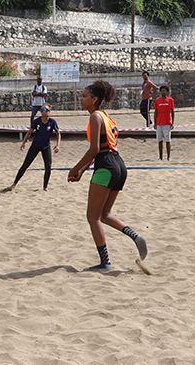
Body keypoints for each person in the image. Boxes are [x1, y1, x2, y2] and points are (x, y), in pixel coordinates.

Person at [68, 80, 148, 272]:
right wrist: (83, 170)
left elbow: (95, 149)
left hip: (106, 166)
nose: (82, 99)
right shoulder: (106, 116)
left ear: (94, 100)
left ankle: (105, 263)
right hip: (119, 165)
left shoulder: (95, 117)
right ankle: (136, 237)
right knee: (105, 214)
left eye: (85, 96)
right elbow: (104, 148)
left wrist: (75, 168)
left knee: (92, 217)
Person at [3, 105, 61, 192]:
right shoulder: (36, 121)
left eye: (45, 110)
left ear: (49, 111)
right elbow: (29, 132)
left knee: (48, 166)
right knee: (25, 165)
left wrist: (58, 145)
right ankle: (14, 184)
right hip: (35, 146)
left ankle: (45, 187)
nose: (43, 112)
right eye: (42, 110)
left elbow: (58, 133)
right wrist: (23, 142)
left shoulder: (52, 122)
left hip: (46, 146)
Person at [153, 85, 175, 161]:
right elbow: (156, 112)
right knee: (159, 141)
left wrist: (172, 122)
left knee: (168, 140)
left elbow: (172, 112)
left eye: (165, 90)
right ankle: (160, 157)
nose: (163, 92)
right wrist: (155, 123)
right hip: (159, 123)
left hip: (167, 123)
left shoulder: (170, 100)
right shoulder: (157, 100)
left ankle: (168, 157)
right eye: (162, 90)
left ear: (167, 92)